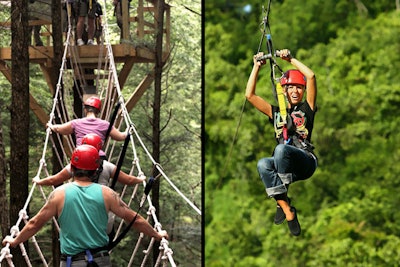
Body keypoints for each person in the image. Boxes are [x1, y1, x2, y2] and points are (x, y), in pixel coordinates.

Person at [3, 145, 168, 266]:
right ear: (96, 171)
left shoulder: (59, 194)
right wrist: (156, 235)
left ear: (72, 168)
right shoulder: (107, 194)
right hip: (100, 261)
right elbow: (135, 219)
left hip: (70, 262)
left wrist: (15, 241)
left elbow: (34, 224)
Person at [245, 49, 318, 236]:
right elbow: (250, 96)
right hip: (283, 163)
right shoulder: (275, 112)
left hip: (304, 161)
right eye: (291, 87)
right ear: (284, 91)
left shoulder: (306, 108)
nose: (295, 91)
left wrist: (290, 59)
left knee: (280, 150)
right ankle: (286, 208)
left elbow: (311, 76)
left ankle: (281, 194)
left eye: (299, 88)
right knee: (263, 164)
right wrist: (256, 67)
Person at [34, 133, 145, 187]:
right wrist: (140, 179)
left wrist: (39, 182)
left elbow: (54, 180)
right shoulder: (108, 166)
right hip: (104, 213)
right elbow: (129, 180)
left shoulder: (74, 165)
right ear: (99, 148)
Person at [47, 96, 127, 159]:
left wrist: (51, 126)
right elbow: (121, 136)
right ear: (98, 111)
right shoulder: (105, 124)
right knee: (108, 172)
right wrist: (128, 131)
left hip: (81, 156)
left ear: (85, 110)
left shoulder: (76, 123)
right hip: (98, 157)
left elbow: (59, 129)